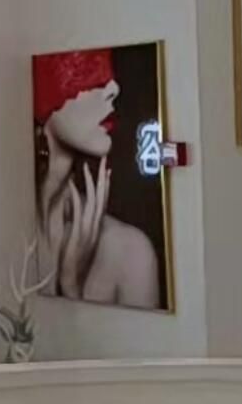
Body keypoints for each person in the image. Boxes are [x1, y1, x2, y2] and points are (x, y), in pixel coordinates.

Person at [33, 49, 162, 310]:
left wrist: (71, 286)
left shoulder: (130, 252)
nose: (113, 88)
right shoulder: (2, 232)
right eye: (85, 69)